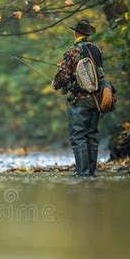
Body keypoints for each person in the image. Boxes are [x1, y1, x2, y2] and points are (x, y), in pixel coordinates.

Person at [52, 19, 105, 177]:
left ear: (76, 33)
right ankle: (91, 173)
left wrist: (55, 83)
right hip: (97, 99)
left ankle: (83, 173)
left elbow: (65, 75)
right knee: (92, 135)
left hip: (79, 100)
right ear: (88, 34)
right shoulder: (97, 50)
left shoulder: (72, 51)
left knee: (78, 136)